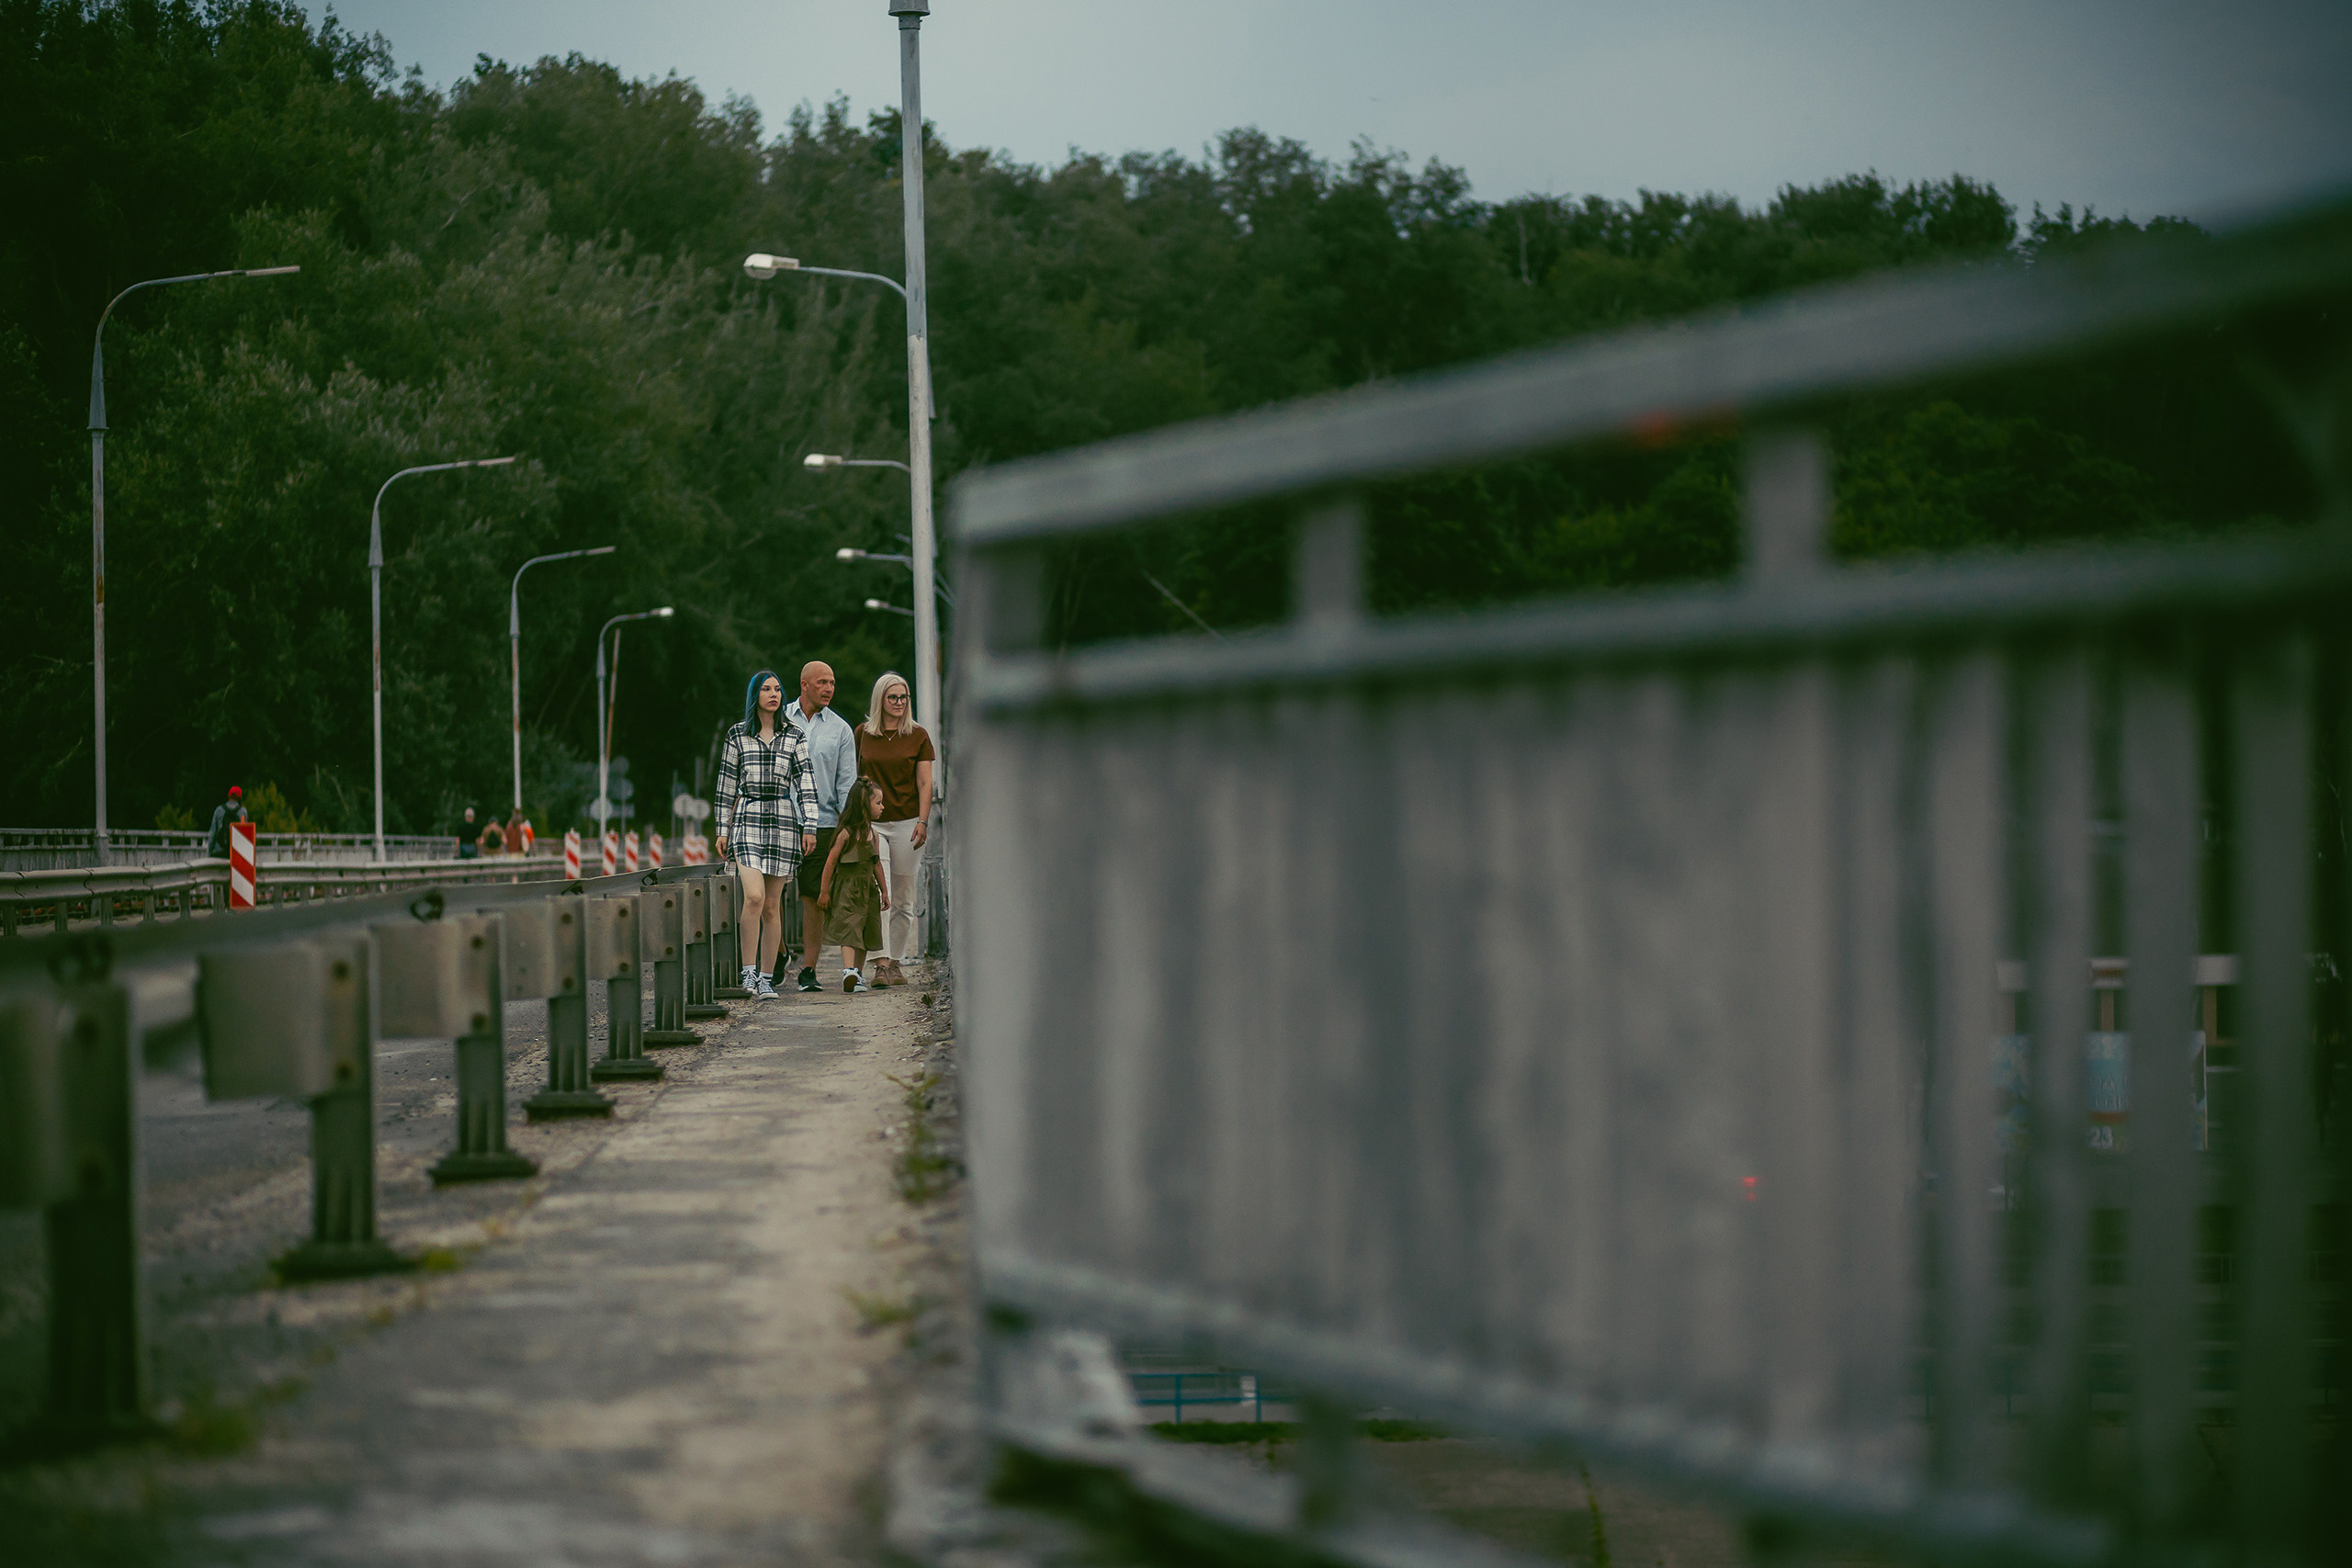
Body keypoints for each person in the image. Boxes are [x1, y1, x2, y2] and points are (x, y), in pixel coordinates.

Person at [716, 669, 819, 1000]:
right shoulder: (736, 735)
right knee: (755, 897)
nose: (774, 694)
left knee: (773, 906)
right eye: (766, 689)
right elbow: (726, 786)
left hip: (783, 820)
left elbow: (806, 783)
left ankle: (765, 977)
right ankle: (746, 972)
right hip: (748, 817)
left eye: (777, 689)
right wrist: (722, 829)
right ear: (755, 696)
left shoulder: (794, 736)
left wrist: (811, 824)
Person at [783, 660, 859, 992]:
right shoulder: (777, 718)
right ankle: (778, 957)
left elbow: (846, 784)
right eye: (823, 682)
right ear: (805, 684)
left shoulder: (840, 729)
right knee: (767, 897)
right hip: (778, 819)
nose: (829, 688)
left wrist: (850, 826)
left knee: (813, 897)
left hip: (823, 822)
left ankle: (808, 969)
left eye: (832, 682)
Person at [854, 671, 934, 985]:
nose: (900, 702)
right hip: (872, 824)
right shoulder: (863, 733)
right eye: (893, 697)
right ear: (880, 700)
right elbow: (855, 778)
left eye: (904, 697)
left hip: (907, 822)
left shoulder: (918, 735)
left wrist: (923, 821)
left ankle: (897, 961)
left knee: (903, 898)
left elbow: (925, 781)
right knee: (879, 893)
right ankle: (880, 963)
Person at [817, 775, 888, 993]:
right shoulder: (845, 834)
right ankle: (849, 970)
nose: (882, 807)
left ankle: (857, 973)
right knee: (849, 930)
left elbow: (876, 864)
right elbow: (830, 863)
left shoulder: (873, 834)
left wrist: (884, 891)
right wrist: (824, 892)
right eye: (878, 803)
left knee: (866, 932)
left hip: (868, 891)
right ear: (864, 805)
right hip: (847, 891)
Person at [206, 785, 249, 859]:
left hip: (219, 851)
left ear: (229, 796)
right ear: (239, 798)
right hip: (236, 853)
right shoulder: (243, 812)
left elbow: (212, 833)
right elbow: (245, 835)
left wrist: (209, 853)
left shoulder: (219, 810)